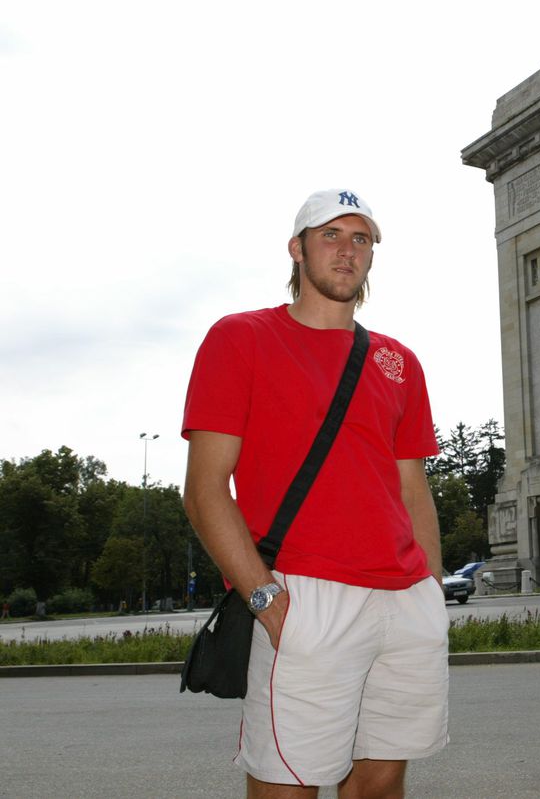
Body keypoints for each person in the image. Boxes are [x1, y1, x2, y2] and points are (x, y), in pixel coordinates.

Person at [182, 188, 447, 798]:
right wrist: (265, 598)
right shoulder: (241, 337)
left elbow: (412, 486)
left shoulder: (398, 361)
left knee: (380, 783)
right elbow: (204, 490)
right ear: (297, 249)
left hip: (405, 601)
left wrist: (431, 589)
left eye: (361, 239)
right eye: (330, 235)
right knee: (289, 786)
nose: (347, 250)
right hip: (307, 595)